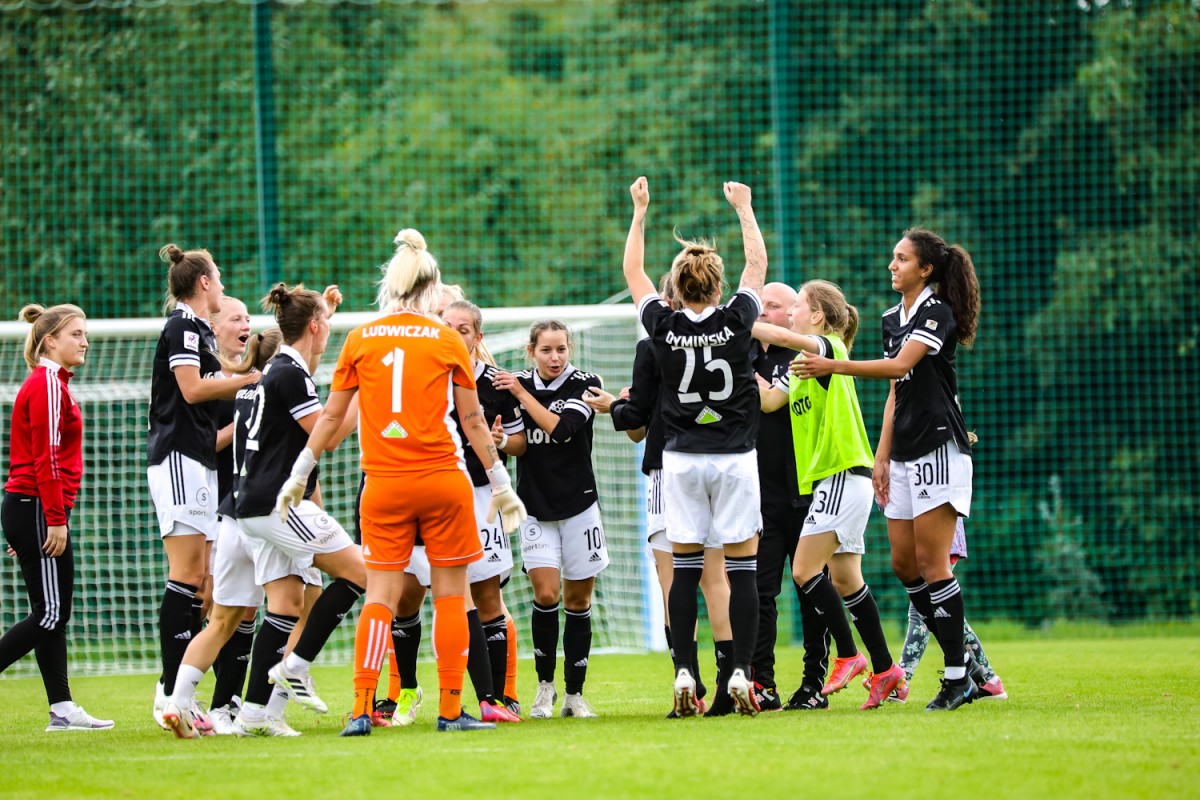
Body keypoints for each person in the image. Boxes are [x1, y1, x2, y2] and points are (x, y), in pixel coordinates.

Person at [276, 229, 526, 736]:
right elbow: (473, 421)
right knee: (452, 596)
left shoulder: (359, 338)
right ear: (431, 288)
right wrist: (500, 482)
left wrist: (300, 472)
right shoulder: (447, 339)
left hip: (383, 483)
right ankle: (451, 710)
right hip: (442, 481)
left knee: (380, 596)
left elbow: (331, 418)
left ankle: (361, 710)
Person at [794, 227, 981, 711]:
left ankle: (959, 675)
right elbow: (897, 391)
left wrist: (835, 366)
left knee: (934, 565)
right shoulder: (890, 317)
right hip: (901, 455)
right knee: (903, 564)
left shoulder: (937, 312)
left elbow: (898, 367)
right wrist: (881, 455)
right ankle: (969, 667)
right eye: (894, 257)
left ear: (926, 269)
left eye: (902, 259)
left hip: (939, 447)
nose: (893, 265)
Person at [621, 176, 767, 717]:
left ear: (677, 289)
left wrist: (639, 213)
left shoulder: (661, 324)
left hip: (680, 460)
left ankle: (684, 668)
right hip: (734, 459)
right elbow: (757, 265)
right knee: (740, 571)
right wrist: (744, 208)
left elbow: (634, 272)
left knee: (683, 569)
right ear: (718, 285)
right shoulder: (738, 320)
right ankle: (741, 671)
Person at [582, 273, 732, 718]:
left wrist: (614, 406)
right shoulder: (726, 340)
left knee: (673, 578)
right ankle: (730, 680)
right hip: (720, 464)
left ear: (668, 299)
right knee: (716, 579)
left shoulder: (654, 345)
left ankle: (687, 678)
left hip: (669, 470)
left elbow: (635, 424)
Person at [755, 279, 906, 709]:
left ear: (817, 316)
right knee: (845, 580)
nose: (789, 313)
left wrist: (731, 321)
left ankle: (849, 654)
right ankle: (886, 670)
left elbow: (785, 337)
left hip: (842, 474)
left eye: (796, 305)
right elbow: (769, 401)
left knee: (804, 571)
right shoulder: (800, 367)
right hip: (836, 481)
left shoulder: (829, 346)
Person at [148, 244, 258, 727]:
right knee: (188, 575)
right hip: (178, 457)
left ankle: (180, 693)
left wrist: (259, 371)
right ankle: (171, 693)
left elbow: (222, 376)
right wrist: (247, 381)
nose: (223, 285)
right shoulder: (181, 326)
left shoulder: (198, 330)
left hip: (196, 463)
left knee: (203, 580)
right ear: (204, 283)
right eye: (219, 276)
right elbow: (193, 389)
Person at [0, 303, 112, 732]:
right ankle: (62, 708)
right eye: (76, 334)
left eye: (85, 334)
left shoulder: (55, 383)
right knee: (49, 614)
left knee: (53, 613)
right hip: (36, 507)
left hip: (32, 510)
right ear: (50, 341)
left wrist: (42, 520)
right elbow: (44, 457)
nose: (85, 342)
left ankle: (62, 709)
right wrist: (53, 518)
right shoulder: (47, 383)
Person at [493, 320, 608, 720]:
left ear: (569, 348)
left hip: (580, 506)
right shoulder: (515, 385)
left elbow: (561, 430)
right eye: (546, 350)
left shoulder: (585, 383)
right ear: (531, 351)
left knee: (578, 601)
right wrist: (501, 440)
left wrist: (521, 394)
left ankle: (575, 695)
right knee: (545, 596)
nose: (555, 357)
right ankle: (545, 688)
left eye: (561, 349)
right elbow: (520, 446)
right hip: (535, 508)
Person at [748, 281, 831, 712]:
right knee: (759, 591)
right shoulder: (743, 354)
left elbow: (770, 403)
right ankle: (762, 683)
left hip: (805, 492)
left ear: (793, 312)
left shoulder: (802, 355)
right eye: (759, 305)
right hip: (758, 498)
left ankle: (814, 683)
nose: (762, 311)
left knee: (811, 589)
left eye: (773, 305)